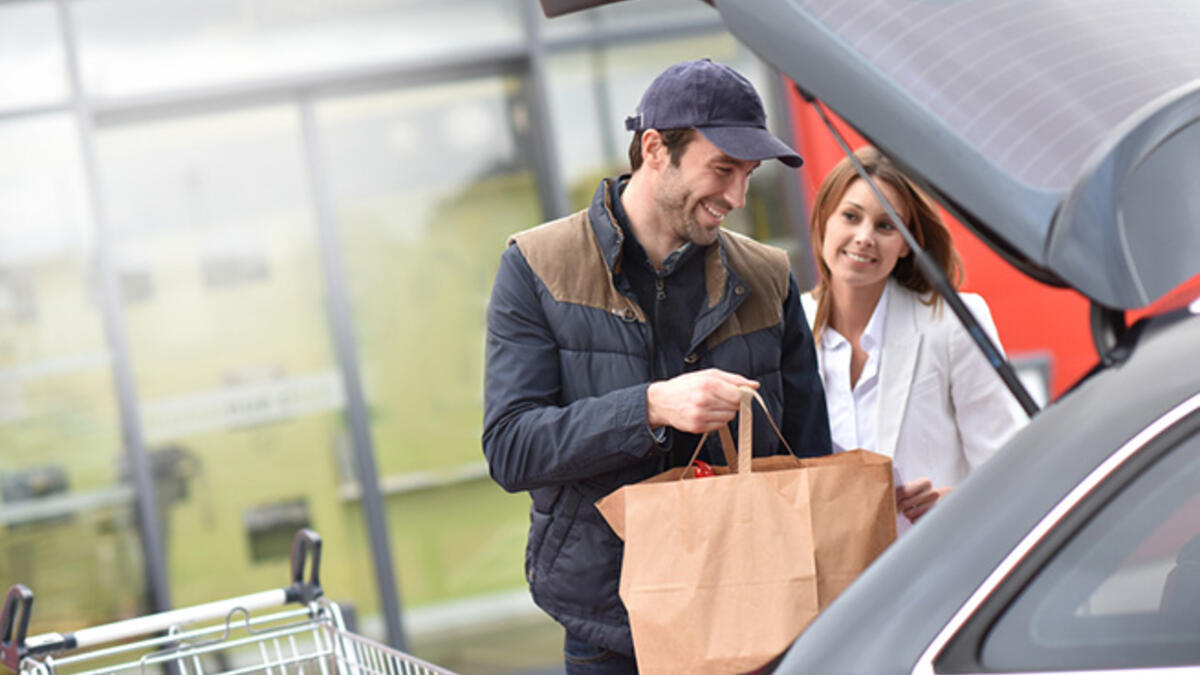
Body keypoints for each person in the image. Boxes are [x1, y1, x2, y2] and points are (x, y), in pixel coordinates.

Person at [482, 58, 831, 673]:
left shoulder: (768, 276)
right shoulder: (536, 266)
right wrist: (649, 406)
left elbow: (808, 455)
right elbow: (512, 449)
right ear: (654, 149)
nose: (737, 197)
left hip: (755, 616)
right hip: (611, 628)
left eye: (748, 175)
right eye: (722, 169)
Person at [801, 146, 1026, 535]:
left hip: (935, 570)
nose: (864, 238)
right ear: (824, 218)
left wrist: (952, 501)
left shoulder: (951, 321)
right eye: (851, 217)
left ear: (905, 244)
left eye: (886, 226)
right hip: (833, 583)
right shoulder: (790, 327)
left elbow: (1011, 464)